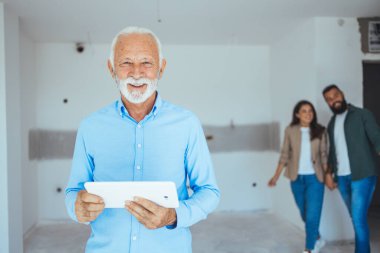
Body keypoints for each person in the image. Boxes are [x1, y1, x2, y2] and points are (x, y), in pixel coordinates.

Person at [65, 26, 220, 253]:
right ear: (111, 69)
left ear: (161, 68)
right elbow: (73, 192)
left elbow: (209, 191)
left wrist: (173, 216)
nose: (136, 73)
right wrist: (76, 207)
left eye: (146, 62)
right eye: (126, 62)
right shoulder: (90, 126)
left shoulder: (187, 123)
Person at [322, 84, 380, 253]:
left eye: (336, 95)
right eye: (329, 99)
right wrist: (328, 174)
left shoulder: (362, 115)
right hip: (342, 179)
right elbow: (332, 152)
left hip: (362, 175)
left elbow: (377, 137)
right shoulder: (332, 124)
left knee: (358, 219)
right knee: (356, 219)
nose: (334, 100)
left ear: (343, 94)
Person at [268, 100, 328, 253]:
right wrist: (275, 177)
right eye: (304, 111)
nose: (308, 114)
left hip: (315, 179)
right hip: (296, 179)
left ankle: (309, 248)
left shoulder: (320, 131)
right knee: (305, 213)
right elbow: (284, 155)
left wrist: (328, 176)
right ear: (297, 114)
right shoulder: (290, 130)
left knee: (313, 214)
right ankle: (317, 238)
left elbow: (324, 156)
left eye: (310, 111)